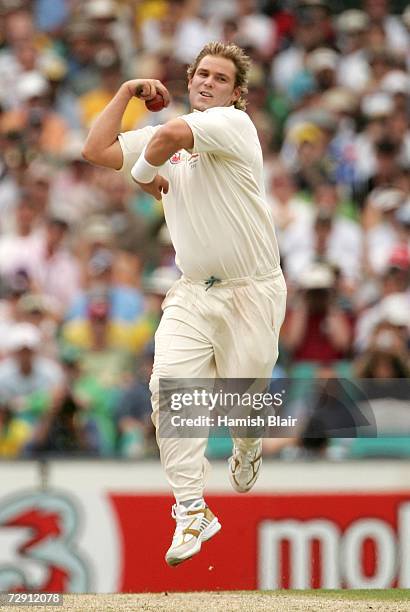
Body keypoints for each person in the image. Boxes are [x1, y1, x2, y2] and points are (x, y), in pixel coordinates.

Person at [83, 41, 287, 566]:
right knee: (168, 390)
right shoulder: (167, 135)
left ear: (236, 93)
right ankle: (192, 509)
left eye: (220, 78)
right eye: (201, 75)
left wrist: (144, 176)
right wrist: (128, 91)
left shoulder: (233, 125)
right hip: (193, 292)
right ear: (188, 78)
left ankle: (247, 443)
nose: (207, 84)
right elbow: (95, 150)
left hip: (252, 291)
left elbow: (172, 135)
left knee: (243, 405)